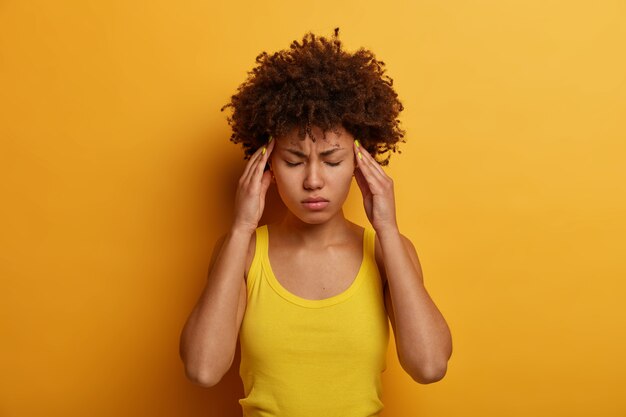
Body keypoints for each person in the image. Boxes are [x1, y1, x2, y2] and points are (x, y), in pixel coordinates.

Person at [179, 28, 452, 417]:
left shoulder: (387, 251)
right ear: (267, 163)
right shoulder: (243, 250)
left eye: (332, 160)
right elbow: (203, 369)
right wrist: (241, 228)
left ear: (360, 162)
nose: (312, 180)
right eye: (292, 161)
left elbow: (429, 366)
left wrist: (387, 229)